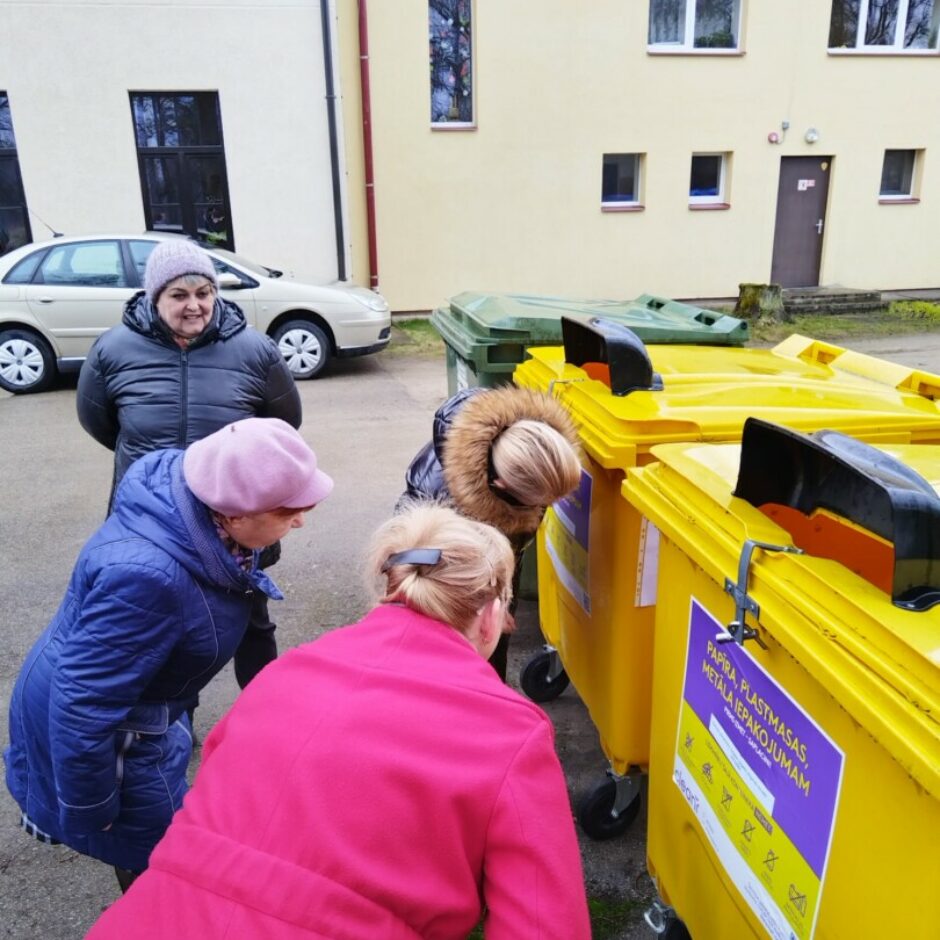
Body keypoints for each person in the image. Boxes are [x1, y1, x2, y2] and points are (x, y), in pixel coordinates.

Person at [86, 504, 591, 939]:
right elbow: (546, 924)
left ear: (392, 589)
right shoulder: (507, 730)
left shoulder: (285, 673)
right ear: (488, 614)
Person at [4, 417, 333, 893]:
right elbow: (84, 703)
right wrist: (92, 808)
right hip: (112, 737)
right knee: (160, 856)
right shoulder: (147, 577)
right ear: (236, 513)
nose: (301, 521)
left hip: (139, 708)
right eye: (289, 511)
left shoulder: (190, 507)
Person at [77, 238, 302, 691]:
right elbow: (100, 422)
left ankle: (265, 710)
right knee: (160, 626)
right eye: (179, 295)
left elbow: (283, 425)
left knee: (251, 621)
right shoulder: (113, 350)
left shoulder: (255, 351)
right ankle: (170, 726)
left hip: (234, 518)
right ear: (155, 297)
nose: (194, 306)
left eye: (204, 293)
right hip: (153, 518)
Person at [401, 385, 581, 679]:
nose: (547, 508)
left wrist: (500, 598)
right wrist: (480, 608)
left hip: (490, 579)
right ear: (501, 487)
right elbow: (414, 579)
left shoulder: (532, 456)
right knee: (455, 671)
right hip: (447, 596)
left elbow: (512, 541)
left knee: (492, 663)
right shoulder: (434, 504)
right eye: (540, 503)